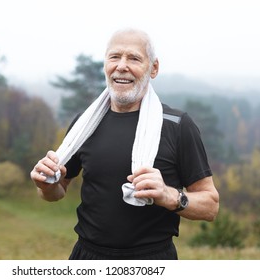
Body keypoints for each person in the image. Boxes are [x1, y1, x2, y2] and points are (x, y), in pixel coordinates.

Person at [30, 28, 219, 260]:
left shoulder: (177, 126)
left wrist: (168, 196)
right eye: (115, 56)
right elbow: (56, 192)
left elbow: (210, 206)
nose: (121, 66)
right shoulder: (84, 124)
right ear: (105, 64)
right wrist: (46, 184)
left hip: (152, 259)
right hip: (87, 256)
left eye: (134, 58)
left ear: (154, 68)